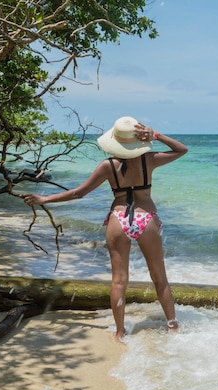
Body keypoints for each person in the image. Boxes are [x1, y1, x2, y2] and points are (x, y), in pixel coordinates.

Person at [22, 116, 188, 341]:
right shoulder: (149, 160)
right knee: (159, 277)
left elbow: (78, 193)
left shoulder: (107, 166)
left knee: (119, 280)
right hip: (145, 218)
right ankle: (173, 326)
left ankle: (120, 332)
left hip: (117, 219)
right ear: (138, 141)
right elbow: (181, 150)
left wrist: (45, 199)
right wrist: (156, 135)